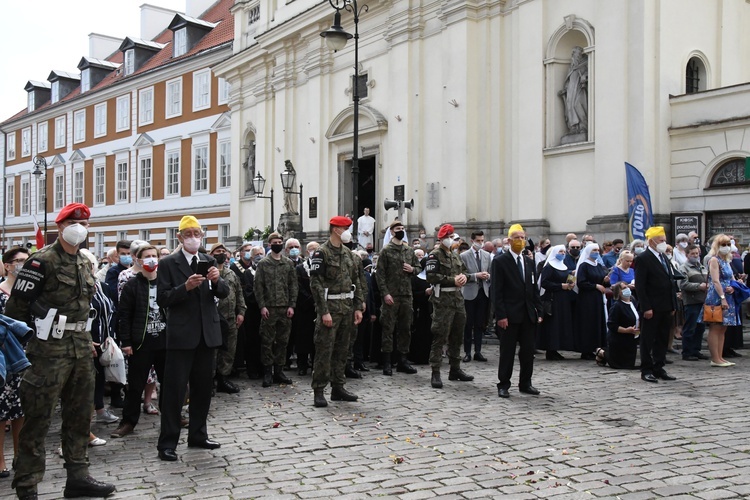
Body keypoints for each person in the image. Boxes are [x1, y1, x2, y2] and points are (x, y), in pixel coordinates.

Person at [6, 203, 116, 499]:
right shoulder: (41, 261)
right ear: (60, 226)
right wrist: (33, 336)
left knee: (80, 414)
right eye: (73, 221)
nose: (80, 226)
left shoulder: (83, 261)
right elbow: (15, 309)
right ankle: (27, 484)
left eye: (85, 222)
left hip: (80, 345)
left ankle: (78, 477)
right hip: (47, 349)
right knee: (38, 417)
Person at [156, 215, 229, 462]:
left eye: (196, 233)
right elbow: (163, 298)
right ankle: (167, 442)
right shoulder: (168, 263)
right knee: (174, 392)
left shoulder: (208, 260)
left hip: (206, 334)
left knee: (203, 390)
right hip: (181, 335)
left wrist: (217, 280)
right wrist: (184, 288)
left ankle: (198, 434)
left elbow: (224, 292)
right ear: (179, 237)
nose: (193, 238)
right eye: (188, 234)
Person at [110, 244, 167, 439]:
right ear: (139, 261)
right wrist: (126, 342)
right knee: (135, 386)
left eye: (154, 256)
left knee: (168, 383)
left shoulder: (165, 282)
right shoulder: (132, 285)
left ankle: (172, 417)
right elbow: (123, 315)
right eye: (147, 256)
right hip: (141, 343)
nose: (151, 259)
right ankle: (128, 421)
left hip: (164, 341)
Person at [309, 216, 365, 407]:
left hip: (347, 307)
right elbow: (315, 284)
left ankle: (338, 387)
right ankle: (319, 389)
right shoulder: (321, 253)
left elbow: (356, 281)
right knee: (324, 350)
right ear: (335, 229)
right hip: (330, 307)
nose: (348, 231)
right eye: (345, 228)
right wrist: (323, 311)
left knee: (343, 349)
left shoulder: (348, 254)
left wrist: (358, 306)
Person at [491, 224, 543, 398]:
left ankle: (525, 383)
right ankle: (503, 384)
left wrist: (539, 311)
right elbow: (496, 291)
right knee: (507, 351)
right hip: (509, 315)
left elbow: (533, 288)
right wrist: (501, 315)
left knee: (528, 351)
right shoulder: (500, 261)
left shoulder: (529, 261)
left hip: (528, 314)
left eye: (522, 238)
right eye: (517, 238)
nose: (520, 241)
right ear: (509, 240)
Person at [424, 224, 474, 389]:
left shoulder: (455, 255)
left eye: (454, 237)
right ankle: (436, 371)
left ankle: (455, 369)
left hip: (458, 300)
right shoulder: (434, 255)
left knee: (457, 336)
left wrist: (464, 278)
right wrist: (452, 280)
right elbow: (431, 277)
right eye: (450, 237)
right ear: (442, 238)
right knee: (440, 336)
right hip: (443, 301)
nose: (453, 240)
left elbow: (465, 271)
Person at [0, 247, 30, 480]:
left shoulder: (31, 292)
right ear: (8, 265)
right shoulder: (1, 292)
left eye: (26, 261)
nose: (23, 264)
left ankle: (20, 455)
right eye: (18, 261)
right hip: (4, 355)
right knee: (2, 412)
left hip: (27, 355)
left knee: (21, 408)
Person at [634, 226, 678, 383]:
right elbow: (640, 286)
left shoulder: (663, 257)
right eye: (661, 241)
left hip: (666, 305)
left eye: (665, 241)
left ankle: (659, 367)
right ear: (651, 241)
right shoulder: (643, 258)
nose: (664, 243)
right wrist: (646, 307)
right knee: (647, 339)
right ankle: (646, 369)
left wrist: (673, 305)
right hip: (652, 307)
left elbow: (670, 281)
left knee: (662, 338)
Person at [376, 220, 420, 376]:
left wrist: (412, 269)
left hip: (406, 294)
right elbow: (380, 275)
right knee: (388, 328)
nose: (401, 230)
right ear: (392, 231)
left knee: (405, 328)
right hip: (391, 295)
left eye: (402, 228)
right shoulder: (386, 251)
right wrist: (385, 293)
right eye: (398, 229)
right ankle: (387, 362)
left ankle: (403, 360)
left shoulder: (409, 250)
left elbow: (418, 267)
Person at [254, 233, 298, 387]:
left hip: (285, 308)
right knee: (267, 341)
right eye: (275, 242)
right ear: (269, 244)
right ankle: (267, 372)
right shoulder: (263, 264)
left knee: (283, 341)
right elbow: (258, 287)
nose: (277, 244)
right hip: (269, 308)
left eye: (280, 242)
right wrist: (262, 306)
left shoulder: (288, 264)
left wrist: (292, 305)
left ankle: (279, 371)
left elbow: (293, 285)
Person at [209, 243, 245, 393]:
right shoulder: (208, 273)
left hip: (230, 318)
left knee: (229, 350)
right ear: (211, 255)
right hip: (214, 319)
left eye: (224, 251)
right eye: (218, 251)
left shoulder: (231, 274)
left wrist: (241, 312)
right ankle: (209, 381)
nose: (221, 254)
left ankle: (223, 378)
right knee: (212, 352)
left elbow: (239, 294)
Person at [703, 234, 741, 367]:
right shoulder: (714, 260)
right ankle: (715, 358)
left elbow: (731, 278)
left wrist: (735, 286)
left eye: (728, 245)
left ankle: (720, 356)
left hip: (728, 294)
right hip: (717, 296)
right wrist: (723, 298)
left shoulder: (726, 260)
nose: (726, 247)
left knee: (723, 328)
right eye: (723, 245)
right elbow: (715, 280)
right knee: (715, 326)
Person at [537, 245, 576, 360]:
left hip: (563, 298)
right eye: (560, 251)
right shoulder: (549, 266)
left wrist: (570, 284)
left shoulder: (564, 266)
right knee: (553, 325)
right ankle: (550, 349)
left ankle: (556, 348)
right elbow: (544, 282)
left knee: (560, 324)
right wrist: (560, 286)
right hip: (553, 298)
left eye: (564, 252)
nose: (563, 253)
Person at [459, 231, 492, 362]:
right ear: (472, 241)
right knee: (468, 323)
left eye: (482, 240)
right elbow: (461, 274)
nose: (480, 243)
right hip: (469, 292)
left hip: (483, 292)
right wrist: (475, 276)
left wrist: (488, 276)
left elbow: (490, 272)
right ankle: (467, 351)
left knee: (480, 323)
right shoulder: (464, 256)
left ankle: (478, 351)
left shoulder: (487, 255)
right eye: (478, 241)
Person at [574, 243, 609, 360]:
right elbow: (581, 282)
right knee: (588, 323)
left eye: (598, 250)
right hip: (587, 298)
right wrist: (595, 286)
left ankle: (597, 346)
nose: (597, 252)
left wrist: (605, 280)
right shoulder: (584, 266)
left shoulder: (598, 265)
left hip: (598, 298)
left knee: (597, 322)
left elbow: (602, 280)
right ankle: (586, 349)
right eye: (594, 250)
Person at [596, 282, 639, 369]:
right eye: (623, 288)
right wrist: (626, 330)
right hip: (619, 338)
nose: (627, 289)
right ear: (619, 292)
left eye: (627, 287)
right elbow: (612, 325)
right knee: (619, 365)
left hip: (631, 338)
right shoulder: (617, 306)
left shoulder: (633, 302)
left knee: (629, 364)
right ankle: (602, 352)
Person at [678, 244, 709, 361]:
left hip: (703, 301)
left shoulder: (702, 267)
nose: (695, 255)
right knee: (690, 327)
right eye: (693, 254)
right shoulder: (683, 268)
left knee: (700, 328)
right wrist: (698, 286)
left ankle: (696, 350)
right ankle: (687, 352)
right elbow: (683, 284)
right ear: (687, 255)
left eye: (697, 253)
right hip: (691, 301)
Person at [294, 242, 319, 376]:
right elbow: (298, 287)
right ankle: (302, 364)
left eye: (316, 249)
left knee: (317, 337)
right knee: (303, 337)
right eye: (312, 249)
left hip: (318, 308)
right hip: (304, 308)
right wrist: (310, 300)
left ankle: (316, 363)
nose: (314, 252)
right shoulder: (300, 268)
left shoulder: (322, 266)